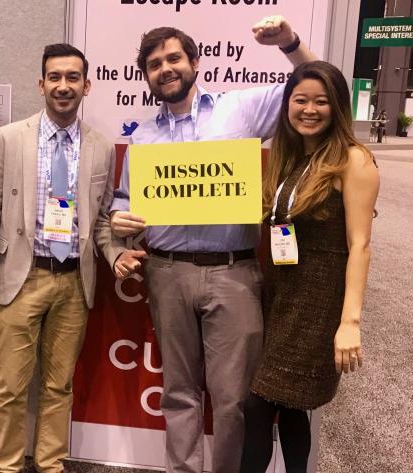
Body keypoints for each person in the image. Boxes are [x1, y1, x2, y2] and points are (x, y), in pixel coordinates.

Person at [108, 17, 317, 473]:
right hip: (167, 272)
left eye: (174, 58)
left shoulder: (239, 109)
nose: (166, 68)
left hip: (233, 272)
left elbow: (316, 86)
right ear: (146, 76)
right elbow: (123, 201)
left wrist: (290, 44)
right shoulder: (142, 137)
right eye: (154, 64)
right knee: (179, 394)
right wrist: (118, 219)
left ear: (195, 63)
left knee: (233, 401)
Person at [0, 43, 139, 473]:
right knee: (11, 388)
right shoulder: (10, 138)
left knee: (59, 386)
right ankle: (7, 466)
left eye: (73, 77)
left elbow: (100, 222)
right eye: (54, 77)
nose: (63, 85)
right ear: (41, 84)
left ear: (86, 86)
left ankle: (51, 464)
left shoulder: (101, 147)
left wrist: (116, 255)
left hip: (74, 282)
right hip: (23, 277)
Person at [240, 61, 379, 473]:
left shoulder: (354, 160)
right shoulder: (292, 156)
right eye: (300, 100)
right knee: (292, 406)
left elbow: (360, 245)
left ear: (338, 106)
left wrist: (350, 322)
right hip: (279, 295)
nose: (310, 109)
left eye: (321, 101)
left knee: (259, 404)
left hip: (316, 303)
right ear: (287, 104)